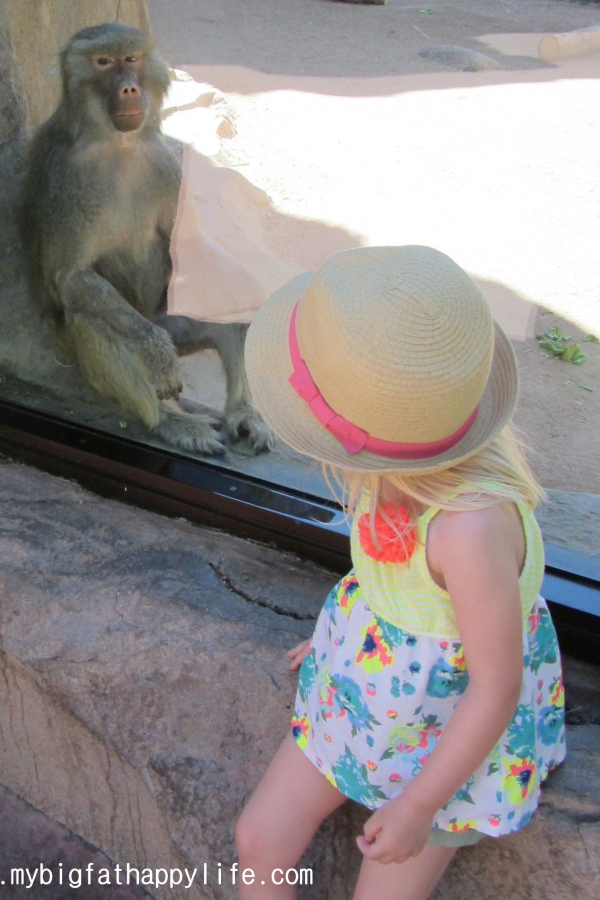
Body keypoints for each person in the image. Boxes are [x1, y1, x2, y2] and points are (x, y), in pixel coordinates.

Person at [237, 245, 566, 900]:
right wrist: (346, 644)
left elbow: (495, 686)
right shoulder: (397, 467)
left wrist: (418, 807)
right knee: (259, 840)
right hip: (367, 691)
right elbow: (393, 582)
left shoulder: (468, 529)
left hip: (450, 743)